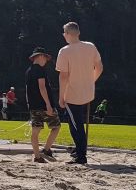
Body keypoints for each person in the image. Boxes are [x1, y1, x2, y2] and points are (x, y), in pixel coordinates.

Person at [56, 22, 103, 165]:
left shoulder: (65, 51)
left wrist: (61, 97)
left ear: (67, 34)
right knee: (78, 121)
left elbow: (63, 76)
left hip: (72, 93)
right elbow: (99, 67)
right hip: (87, 91)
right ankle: (79, 149)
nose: (63, 35)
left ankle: (81, 155)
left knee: (75, 124)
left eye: (64, 33)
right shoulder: (90, 46)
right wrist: (90, 82)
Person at [27, 47, 61, 163]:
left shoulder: (29, 71)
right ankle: (46, 149)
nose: (46, 61)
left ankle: (37, 156)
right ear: (41, 56)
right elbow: (42, 87)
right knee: (56, 126)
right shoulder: (40, 70)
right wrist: (48, 104)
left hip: (33, 106)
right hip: (44, 105)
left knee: (35, 131)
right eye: (45, 58)